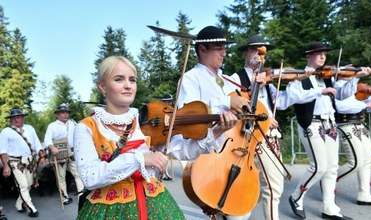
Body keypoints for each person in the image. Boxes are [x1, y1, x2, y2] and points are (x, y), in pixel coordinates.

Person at [73, 56, 185, 219]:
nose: (128, 85)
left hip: (154, 202)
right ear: (102, 86)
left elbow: (183, 151)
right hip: (108, 209)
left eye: (132, 80)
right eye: (119, 79)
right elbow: (91, 177)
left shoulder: (144, 122)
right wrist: (140, 159)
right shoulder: (86, 127)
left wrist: (214, 132)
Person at [168, 26, 251, 220]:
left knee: (240, 209)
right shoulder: (189, 79)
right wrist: (225, 102)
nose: (224, 52)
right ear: (202, 49)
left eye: (224, 47)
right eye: (219, 47)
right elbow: (189, 116)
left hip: (233, 150)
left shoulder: (228, 80)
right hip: (208, 153)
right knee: (232, 211)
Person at [285, 41, 371, 220]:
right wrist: (319, 92)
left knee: (332, 168)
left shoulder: (327, 76)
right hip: (312, 124)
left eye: (324, 53)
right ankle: (296, 197)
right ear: (308, 56)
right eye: (318, 53)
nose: (323, 56)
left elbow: (341, 94)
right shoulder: (299, 76)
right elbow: (294, 97)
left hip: (330, 123)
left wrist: (356, 77)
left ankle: (329, 207)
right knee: (318, 167)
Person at [230, 35, 288, 220]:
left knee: (273, 186)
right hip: (253, 136)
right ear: (246, 52)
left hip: (271, 136)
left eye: (262, 50)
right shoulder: (235, 78)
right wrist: (264, 117)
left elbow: (283, 102)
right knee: (271, 185)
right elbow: (234, 106)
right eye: (255, 50)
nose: (259, 54)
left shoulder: (268, 79)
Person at [334, 74, 371, 206]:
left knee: (368, 159)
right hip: (346, 124)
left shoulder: (354, 88)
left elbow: (370, 106)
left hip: (360, 124)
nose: (352, 73)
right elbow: (342, 107)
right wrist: (364, 105)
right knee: (355, 162)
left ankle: (364, 194)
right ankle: (327, 180)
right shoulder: (337, 86)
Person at [0, 109, 46, 218]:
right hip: (15, 162)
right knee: (23, 185)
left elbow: (37, 144)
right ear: (10, 119)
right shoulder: (6, 131)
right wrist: (6, 166)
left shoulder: (30, 128)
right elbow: (3, 151)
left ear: (23, 117)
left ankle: (18, 204)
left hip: (30, 162)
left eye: (19, 117)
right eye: (14, 118)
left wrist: (41, 155)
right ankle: (31, 208)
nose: (16, 119)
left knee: (29, 184)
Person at [44, 103, 84, 205]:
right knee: (61, 176)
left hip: (72, 152)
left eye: (66, 112)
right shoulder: (52, 126)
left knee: (78, 174)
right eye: (62, 113)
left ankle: (82, 197)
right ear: (57, 114)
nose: (65, 114)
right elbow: (47, 139)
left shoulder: (73, 124)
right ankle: (64, 197)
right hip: (59, 153)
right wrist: (52, 147)